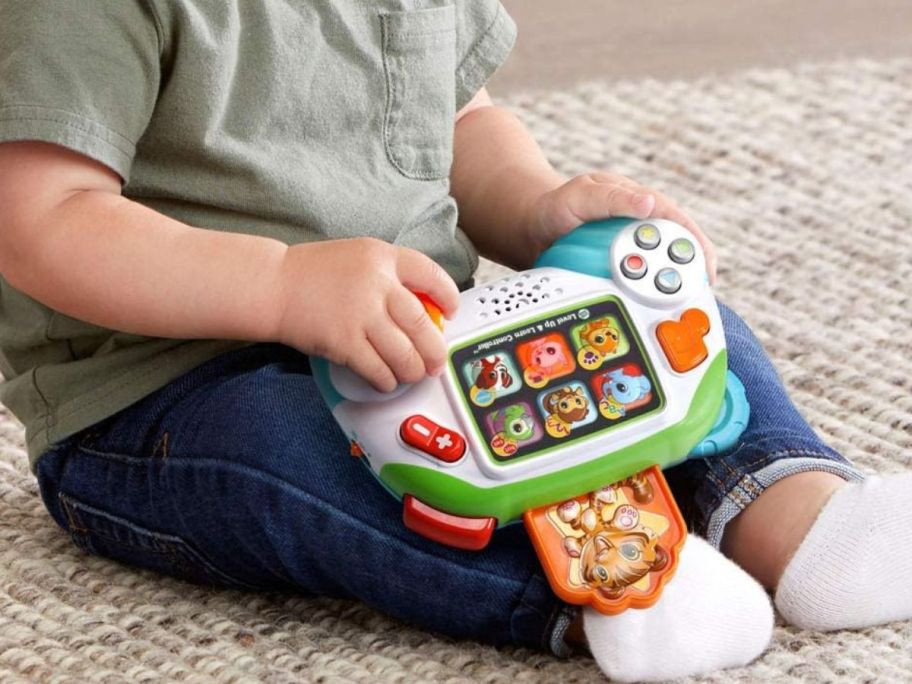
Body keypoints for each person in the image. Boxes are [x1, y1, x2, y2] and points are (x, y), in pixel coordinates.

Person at [0, 3, 909, 681]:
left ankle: (792, 507)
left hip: (417, 328)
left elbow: (462, 121)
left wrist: (537, 205)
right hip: (164, 390)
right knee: (288, 448)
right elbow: (40, 221)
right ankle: (610, 584)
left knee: (656, 307)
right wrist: (280, 287)